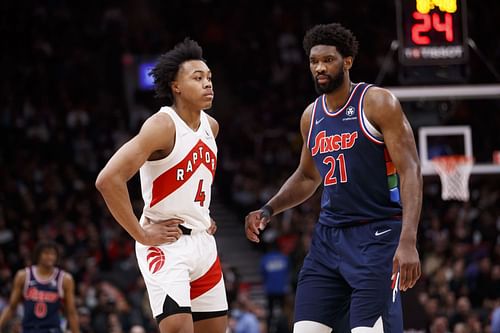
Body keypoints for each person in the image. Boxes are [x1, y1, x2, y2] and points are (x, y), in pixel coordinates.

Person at [245, 23, 422, 333]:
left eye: (328, 60)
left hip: (377, 236)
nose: (320, 68)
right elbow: (307, 176)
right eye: (314, 62)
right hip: (329, 238)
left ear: (348, 62)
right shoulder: (311, 116)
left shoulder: (377, 102)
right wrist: (268, 209)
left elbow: (410, 170)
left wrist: (408, 240)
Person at [95, 38, 228, 333]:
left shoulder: (212, 126)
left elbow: (192, 179)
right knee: (179, 327)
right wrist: (141, 234)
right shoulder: (162, 126)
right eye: (198, 78)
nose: (208, 84)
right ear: (175, 86)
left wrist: (200, 213)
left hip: (203, 243)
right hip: (167, 244)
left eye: (209, 78)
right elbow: (108, 180)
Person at [0, 241, 80, 333]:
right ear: (38, 255)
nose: (50, 257)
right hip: (29, 329)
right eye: (46, 253)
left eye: (53, 254)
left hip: (52, 329)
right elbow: (11, 307)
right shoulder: (23, 276)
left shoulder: (65, 279)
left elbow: (71, 312)